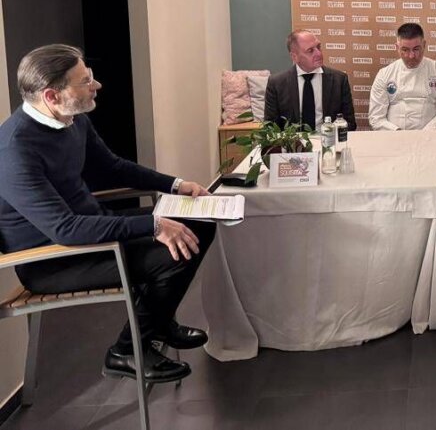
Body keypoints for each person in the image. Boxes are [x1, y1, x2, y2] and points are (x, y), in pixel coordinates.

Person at [0, 45, 215, 384]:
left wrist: (175, 185)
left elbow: (113, 167)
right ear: (52, 96)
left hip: (91, 233)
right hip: (54, 260)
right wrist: (154, 225)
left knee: (201, 224)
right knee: (175, 254)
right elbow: (65, 229)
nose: (96, 85)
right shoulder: (14, 149)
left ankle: (158, 323)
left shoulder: (72, 120)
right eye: (85, 81)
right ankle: (127, 351)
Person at [368, 23, 436, 130]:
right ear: (397, 48)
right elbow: (376, 118)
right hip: (392, 136)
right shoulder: (384, 74)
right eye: (405, 50)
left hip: (431, 136)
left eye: (416, 49)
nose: (411, 56)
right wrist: (397, 133)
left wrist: (422, 136)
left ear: (424, 45)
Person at [263, 29, 357, 130]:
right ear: (295, 57)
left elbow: (350, 124)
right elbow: (270, 127)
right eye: (310, 51)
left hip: (328, 138)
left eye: (318, 47)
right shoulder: (276, 83)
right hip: (293, 139)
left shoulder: (339, 80)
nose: (318, 53)